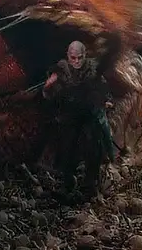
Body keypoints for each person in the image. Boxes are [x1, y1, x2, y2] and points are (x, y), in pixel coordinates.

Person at [43, 41, 117, 196]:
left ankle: (91, 182)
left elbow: (103, 87)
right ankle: (67, 182)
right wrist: (49, 87)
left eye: (79, 58)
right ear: (68, 56)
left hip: (89, 113)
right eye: (73, 58)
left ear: (85, 56)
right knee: (67, 148)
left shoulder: (92, 69)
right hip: (70, 114)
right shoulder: (61, 70)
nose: (76, 61)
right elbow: (50, 94)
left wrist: (107, 100)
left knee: (94, 145)